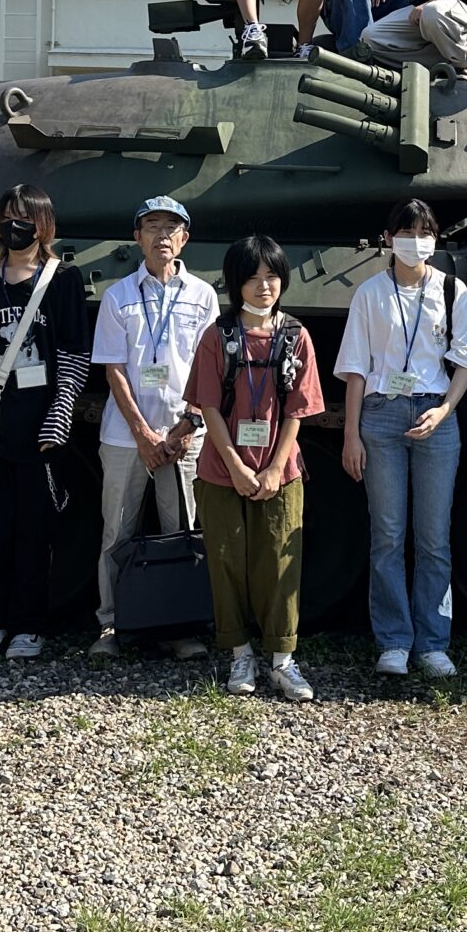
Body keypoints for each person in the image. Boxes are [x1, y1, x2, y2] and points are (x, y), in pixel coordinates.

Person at [0, 184, 92, 662]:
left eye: (25, 217)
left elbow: (72, 356)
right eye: (7, 215)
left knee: (36, 532)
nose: (15, 225)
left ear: (43, 224)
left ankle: (29, 625)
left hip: (41, 430)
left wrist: (61, 415)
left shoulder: (63, 280)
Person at [336, 199, 467, 676]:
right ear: (388, 237)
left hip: (435, 412)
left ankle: (434, 641)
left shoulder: (452, 289)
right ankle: (394, 640)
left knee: (435, 537)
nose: (414, 241)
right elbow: (355, 370)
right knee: (388, 534)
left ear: (435, 240)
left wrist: (443, 411)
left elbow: (464, 364)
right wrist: (350, 434)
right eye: (405, 231)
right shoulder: (370, 293)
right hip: (381, 415)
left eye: (423, 232)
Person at [185, 234, 322, 702]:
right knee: (225, 558)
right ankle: (239, 651)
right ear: (234, 283)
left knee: (280, 560)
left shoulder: (296, 336)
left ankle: (282, 657)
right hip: (223, 469)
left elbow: (298, 411)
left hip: (279, 470)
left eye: (271, 276)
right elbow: (208, 407)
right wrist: (238, 469)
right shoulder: (217, 337)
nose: (264, 286)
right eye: (252, 277)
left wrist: (271, 468)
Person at [89, 195, 219, 659]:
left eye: (172, 227)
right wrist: (145, 435)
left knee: (180, 531)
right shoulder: (118, 295)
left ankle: (179, 626)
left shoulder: (203, 296)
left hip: (185, 435)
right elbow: (114, 370)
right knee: (116, 534)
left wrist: (185, 427)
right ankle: (111, 624)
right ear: (136, 237)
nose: (162, 235)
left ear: (184, 238)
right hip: (127, 436)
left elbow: (210, 370)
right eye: (152, 226)